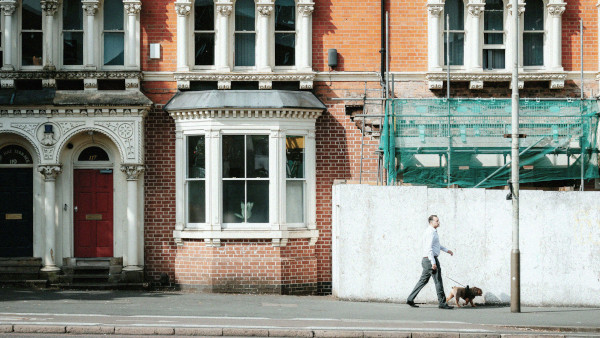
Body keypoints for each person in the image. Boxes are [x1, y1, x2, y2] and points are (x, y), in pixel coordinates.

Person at [406, 215, 454, 309]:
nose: (438, 222)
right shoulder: (430, 232)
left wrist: (447, 250)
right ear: (431, 222)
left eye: (438, 221)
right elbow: (429, 249)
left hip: (427, 259)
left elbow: (436, 245)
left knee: (423, 281)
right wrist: (433, 263)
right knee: (438, 281)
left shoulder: (432, 232)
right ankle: (442, 303)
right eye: (437, 221)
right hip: (430, 259)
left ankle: (410, 299)